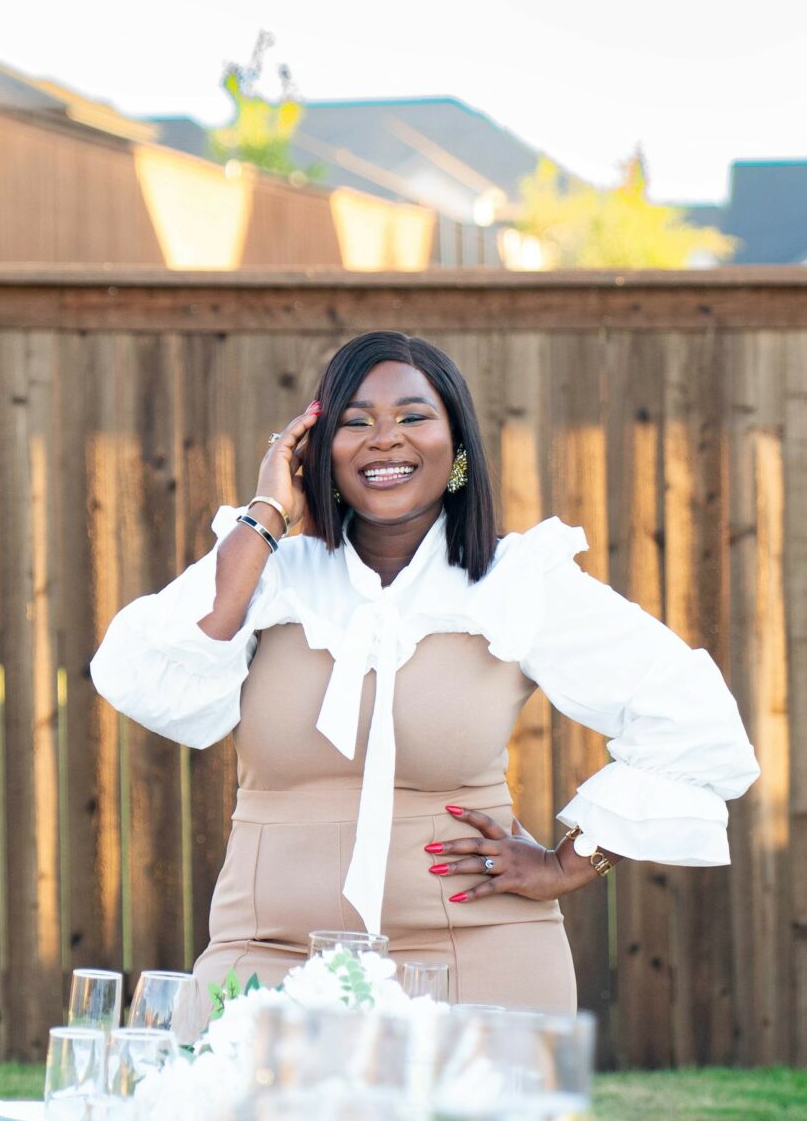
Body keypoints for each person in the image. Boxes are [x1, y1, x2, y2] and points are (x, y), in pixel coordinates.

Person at [90, 331, 759, 1013]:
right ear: (317, 453)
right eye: (355, 422)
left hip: (477, 957)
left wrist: (573, 861)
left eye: (413, 417)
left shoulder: (516, 582)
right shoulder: (271, 576)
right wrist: (267, 515)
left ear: (457, 448)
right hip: (265, 956)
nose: (385, 439)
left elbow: (692, 717)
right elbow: (139, 674)